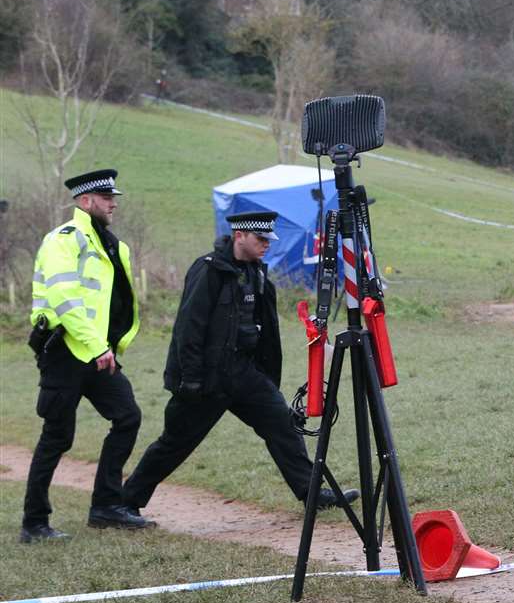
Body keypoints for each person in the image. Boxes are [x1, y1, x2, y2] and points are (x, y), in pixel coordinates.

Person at [121, 212, 355, 515]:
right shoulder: (208, 271)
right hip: (207, 378)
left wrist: (267, 377)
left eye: (268, 240)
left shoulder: (257, 274)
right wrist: (190, 379)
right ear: (239, 235)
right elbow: (188, 328)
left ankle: (312, 493)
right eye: (260, 239)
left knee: (282, 425)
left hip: (244, 373)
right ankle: (126, 502)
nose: (266, 245)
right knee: (174, 444)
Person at [21, 169, 147, 542]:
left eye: (114, 197)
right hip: (65, 350)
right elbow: (65, 299)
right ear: (85, 201)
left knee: (127, 417)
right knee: (57, 436)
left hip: (97, 352)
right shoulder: (64, 239)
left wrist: (107, 345)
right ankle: (34, 523)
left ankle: (106, 506)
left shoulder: (110, 244)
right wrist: (98, 346)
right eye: (107, 197)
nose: (114, 203)